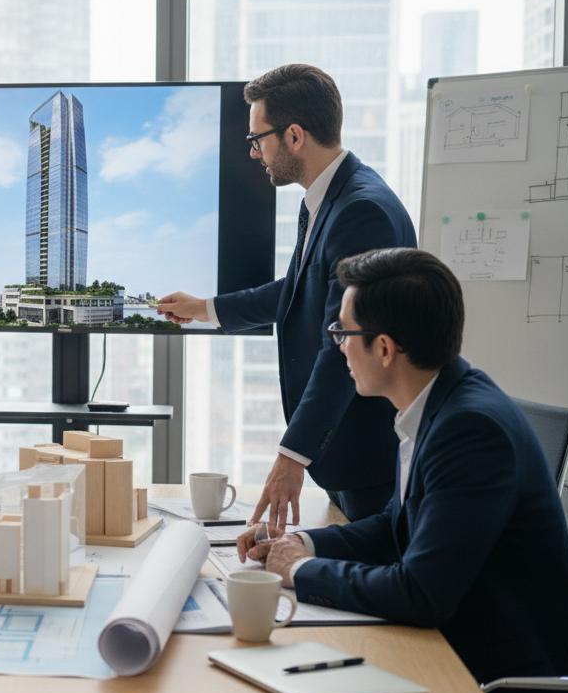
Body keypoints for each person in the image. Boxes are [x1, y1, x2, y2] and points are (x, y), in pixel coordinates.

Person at [242, 248, 568, 693]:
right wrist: (299, 543)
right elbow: (398, 525)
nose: (338, 349)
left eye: (342, 334)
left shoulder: (468, 428)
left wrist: (299, 571)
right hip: (468, 658)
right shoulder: (440, 405)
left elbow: (420, 594)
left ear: (385, 349)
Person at [157, 64, 415, 526]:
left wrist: (292, 456)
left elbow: (343, 346)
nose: (254, 152)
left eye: (258, 139)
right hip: (344, 459)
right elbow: (298, 291)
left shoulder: (361, 212)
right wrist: (206, 309)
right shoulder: (329, 199)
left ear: (294, 136)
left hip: (366, 460)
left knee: (363, 583)